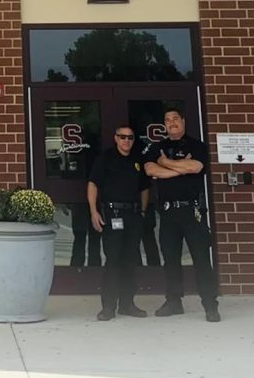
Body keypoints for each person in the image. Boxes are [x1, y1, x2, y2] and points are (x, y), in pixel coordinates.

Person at [143, 108, 220, 321]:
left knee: (202, 259)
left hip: (192, 211)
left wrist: (166, 163)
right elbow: (150, 169)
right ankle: (174, 302)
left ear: (183, 122)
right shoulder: (158, 147)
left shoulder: (197, 146)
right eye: (167, 120)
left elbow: (196, 167)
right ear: (164, 125)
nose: (172, 122)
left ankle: (210, 305)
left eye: (175, 118)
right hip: (168, 213)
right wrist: (179, 168)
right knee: (171, 260)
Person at [87, 125, 150, 321]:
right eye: (122, 137)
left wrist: (142, 211)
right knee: (113, 260)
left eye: (130, 138)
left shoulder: (138, 159)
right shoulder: (106, 158)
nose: (126, 141)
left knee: (129, 261)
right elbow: (93, 184)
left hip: (133, 215)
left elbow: (145, 188)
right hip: (113, 214)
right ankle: (108, 307)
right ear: (115, 138)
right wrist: (93, 211)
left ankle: (127, 304)